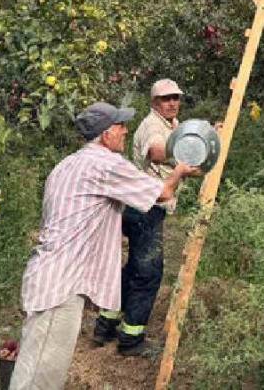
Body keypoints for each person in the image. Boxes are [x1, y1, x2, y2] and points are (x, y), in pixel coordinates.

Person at [9, 102, 199, 389]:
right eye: (121, 126)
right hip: (61, 286)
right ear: (106, 134)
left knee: (35, 367)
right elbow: (162, 192)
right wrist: (180, 171)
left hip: (50, 277)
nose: (125, 131)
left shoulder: (69, 163)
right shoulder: (105, 164)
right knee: (41, 379)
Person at [91, 78, 187, 355]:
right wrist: (184, 160)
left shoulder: (173, 125)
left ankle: (105, 326)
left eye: (175, 98)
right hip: (145, 207)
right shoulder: (152, 126)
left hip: (143, 206)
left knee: (134, 268)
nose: (171, 103)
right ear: (154, 103)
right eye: (165, 99)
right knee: (148, 272)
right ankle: (131, 339)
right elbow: (157, 152)